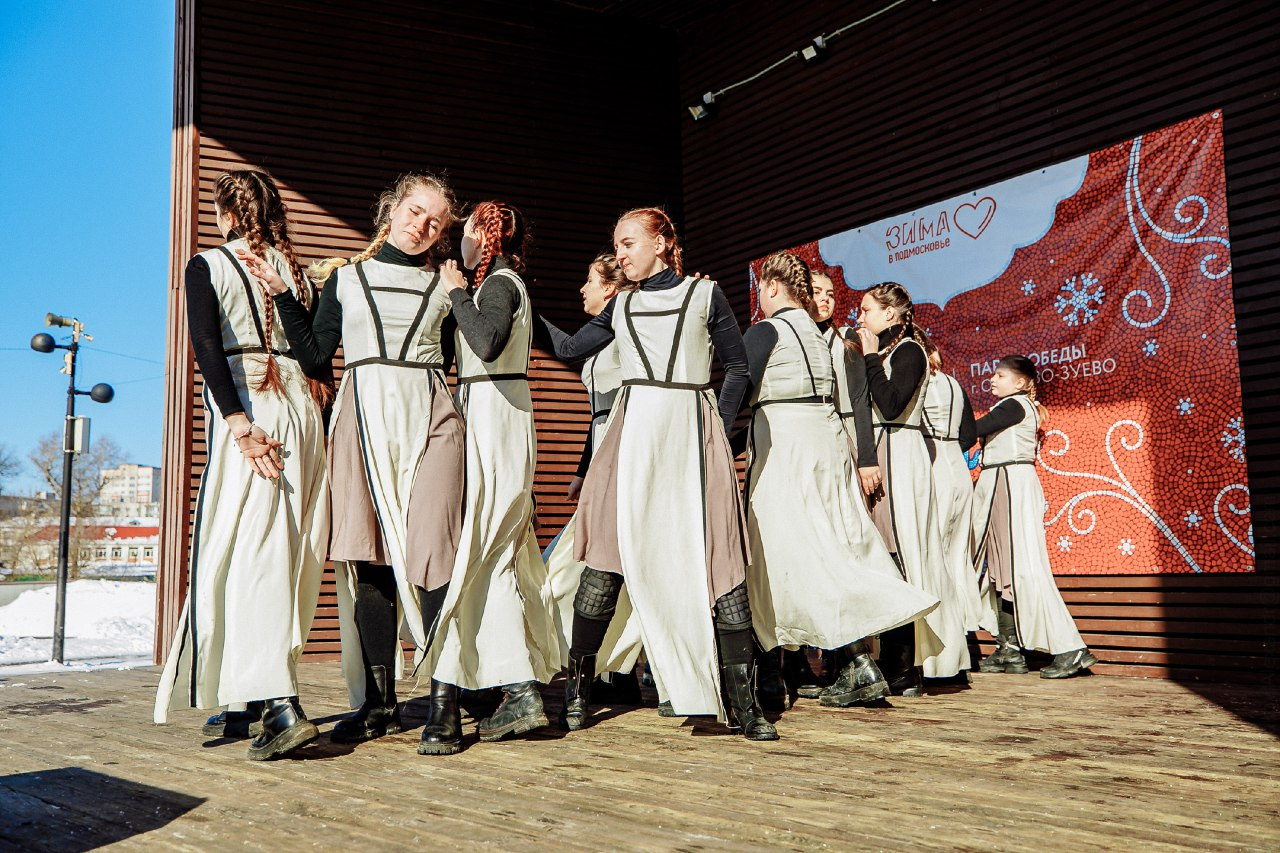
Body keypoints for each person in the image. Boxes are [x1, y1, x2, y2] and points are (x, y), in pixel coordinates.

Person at [537, 207, 776, 741]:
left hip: (692, 435)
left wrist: (717, 423)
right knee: (605, 563)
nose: (620, 254)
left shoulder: (704, 295)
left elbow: (738, 367)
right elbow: (571, 348)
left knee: (721, 564)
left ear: (662, 242)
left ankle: (744, 704)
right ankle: (577, 693)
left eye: (628, 243)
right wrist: (524, 307)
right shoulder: (621, 304)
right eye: (617, 246)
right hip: (633, 436)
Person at [261, 172, 465, 747]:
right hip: (361, 416)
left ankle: (445, 703)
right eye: (415, 211)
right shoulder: (346, 279)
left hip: (430, 415)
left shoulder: (445, 285)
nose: (422, 226)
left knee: (435, 554)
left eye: (435, 222)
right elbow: (315, 356)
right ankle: (379, 704)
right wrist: (283, 295)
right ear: (392, 208)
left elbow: (459, 358)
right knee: (369, 561)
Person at [154, 168, 329, 761]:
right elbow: (315, 356)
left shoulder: (208, 264)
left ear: (226, 214)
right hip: (303, 412)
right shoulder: (295, 274)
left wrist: (237, 423)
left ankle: (277, 702)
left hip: (254, 406)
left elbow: (206, 345)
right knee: (289, 549)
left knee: (250, 550)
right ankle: (244, 698)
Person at [739, 254, 939, 708]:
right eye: (819, 293)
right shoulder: (811, 337)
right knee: (813, 552)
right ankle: (816, 665)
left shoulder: (830, 341)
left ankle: (863, 663)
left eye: (832, 294)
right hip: (817, 445)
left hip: (815, 448)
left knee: (815, 552)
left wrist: (865, 457)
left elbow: (860, 400)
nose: (827, 301)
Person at [418, 200, 563, 753]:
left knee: (484, 554)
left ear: (484, 235)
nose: (459, 240)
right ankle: (514, 688)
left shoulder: (498, 284)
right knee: (493, 556)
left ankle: (515, 690)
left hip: (494, 419)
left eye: (467, 231)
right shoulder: (507, 282)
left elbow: (485, 342)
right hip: (500, 412)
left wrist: (457, 293)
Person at [540, 253, 645, 722]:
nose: (582, 290)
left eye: (589, 281)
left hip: (627, 449)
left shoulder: (627, 327)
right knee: (586, 562)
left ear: (611, 288)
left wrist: (526, 312)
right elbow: (597, 414)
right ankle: (609, 670)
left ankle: (611, 669)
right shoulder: (604, 336)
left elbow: (568, 351)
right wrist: (583, 469)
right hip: (603, 447)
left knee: (589, 562)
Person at [855, 282, 967, 694]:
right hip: (885, 450)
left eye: (866, 310)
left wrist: (869, 357)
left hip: (900, 454)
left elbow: (891, 403)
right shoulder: (887, 351)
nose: (860, 317)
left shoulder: (908, 351)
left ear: (890, 313)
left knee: (906, 554)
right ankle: (896, 660)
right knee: (889, 554)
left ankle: (909, 665)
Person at [972, 356, 1097, 678]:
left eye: (1000, 375)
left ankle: (1071, 648)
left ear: (1020, 383)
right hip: (999, 486)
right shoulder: (1012, 406)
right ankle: (1010, 649)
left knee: (1024, 568)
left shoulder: (1013, 405)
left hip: (1010, 486)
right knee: (1001, 571)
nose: (992, 380)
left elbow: (973, 429)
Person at [920, 336, 987, 639]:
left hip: (932, 462)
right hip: (957, 469)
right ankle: (963, 624)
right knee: (958, 551)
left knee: (934, 548)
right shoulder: (955, 385)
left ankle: (942, 630)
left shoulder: (919, 382)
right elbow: (969, 434)